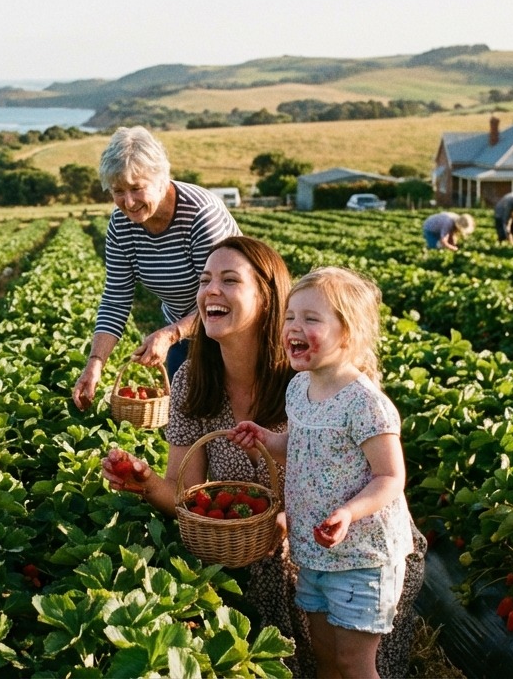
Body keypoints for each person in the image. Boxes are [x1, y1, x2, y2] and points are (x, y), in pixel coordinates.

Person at [99, 238, 423, 678]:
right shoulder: (193, 378)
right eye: (205, 280)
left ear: (267, 297)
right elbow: (184, 493)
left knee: (352, 662)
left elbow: (371, 471)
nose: (211, 290)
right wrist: (145, 482)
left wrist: (288, 522)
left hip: (352, 548)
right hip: (274, 549)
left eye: (229, 280)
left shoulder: (315, 371)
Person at [228, 266, 416, 679]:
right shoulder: (299, 387)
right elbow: (297, 449)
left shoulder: (366, 404)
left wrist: (349, 512)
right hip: (313, 553)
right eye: (290, 317)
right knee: (324, 657)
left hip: (362, 559)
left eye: (311, 319)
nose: (294, 327)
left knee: (354, 663)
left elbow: (390, 477)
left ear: (348, 333)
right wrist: (264, 438)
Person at [71, 126, 240, 411]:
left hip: (237, 329)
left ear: (162, 180)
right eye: (118, 191)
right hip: (185, 331)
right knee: (183, 418)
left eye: (137, 188)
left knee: (231, 420)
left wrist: (170, 334)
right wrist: (95, 364)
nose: (128, 202)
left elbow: (221, 298)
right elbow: (116, 298)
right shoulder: (122, 226)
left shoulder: (201, 216)